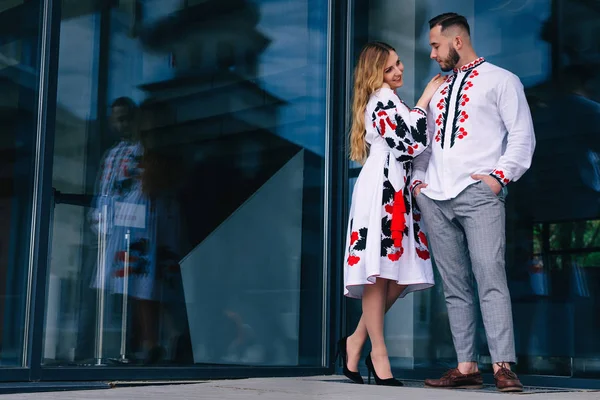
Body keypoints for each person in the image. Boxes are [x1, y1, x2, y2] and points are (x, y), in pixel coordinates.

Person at [411, 13, 536, 392]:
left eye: (436, 45)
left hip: (478, 193)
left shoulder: (502, 80)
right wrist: (418, 182)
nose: (432, 54)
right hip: (434, 195)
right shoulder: (437, 88)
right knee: (454, 284)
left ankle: (502, 365)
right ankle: (466, 367)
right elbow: (424, 141)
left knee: (490, 275)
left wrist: (499, 177)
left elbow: (521, 136)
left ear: (457, 42)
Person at [340, 41, 444, 386]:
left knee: (397, 273)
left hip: (395, 188)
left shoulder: (390, 99)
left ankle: (356, 341)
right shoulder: (382, 99)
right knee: (380, 270)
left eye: (398, 64)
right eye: (389, 68)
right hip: (382, 189)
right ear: (375, 75)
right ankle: (378, 352)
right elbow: (410, 142)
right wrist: (425, 99)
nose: (398, 71)